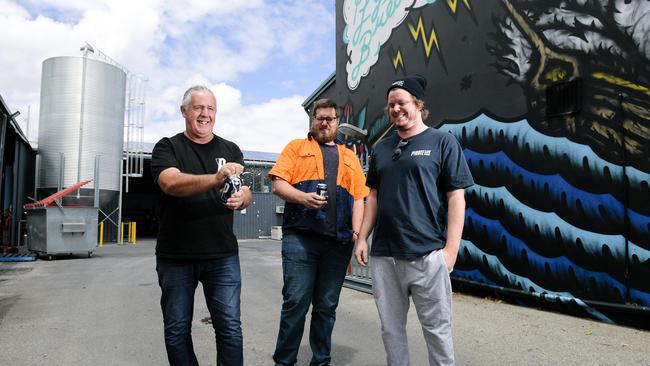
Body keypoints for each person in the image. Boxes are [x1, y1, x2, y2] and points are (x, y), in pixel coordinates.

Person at [354, 74, 474, 366]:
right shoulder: (381, 148)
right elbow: (373, 197)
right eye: (391, 105)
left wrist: (450, 251)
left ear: (418, 104)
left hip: (427, 255)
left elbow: (456, 198)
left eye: (402, 102)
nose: (396, 109)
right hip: (385, 257)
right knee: (391, 331)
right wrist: (362, 238)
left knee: (437, 332)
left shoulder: (442, 142)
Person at [151, 85, 252, 366]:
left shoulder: (230, 149)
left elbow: (243, 191)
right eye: (198, 108)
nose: (205, 114)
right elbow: (170, 183)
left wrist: (243, 198)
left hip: (222, 255)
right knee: (177, 330)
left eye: (210, 109)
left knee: (230, 328)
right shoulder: (167, 147)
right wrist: (216, 177)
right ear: (184, 111)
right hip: (176, 256)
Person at [269, 98, 369, 366]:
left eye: (330, 118)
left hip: (338, 243)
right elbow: (278, 184)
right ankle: (284, 362)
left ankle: (321, 361)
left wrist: (357, 235)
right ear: (313, 121)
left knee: (326, 307)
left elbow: (360, 198)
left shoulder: (350, 157)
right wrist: (303, 198)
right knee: (295, 303)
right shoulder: (295, 147)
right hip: (300, 239)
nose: (324, 122)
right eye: (320, 117)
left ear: (337, 123)